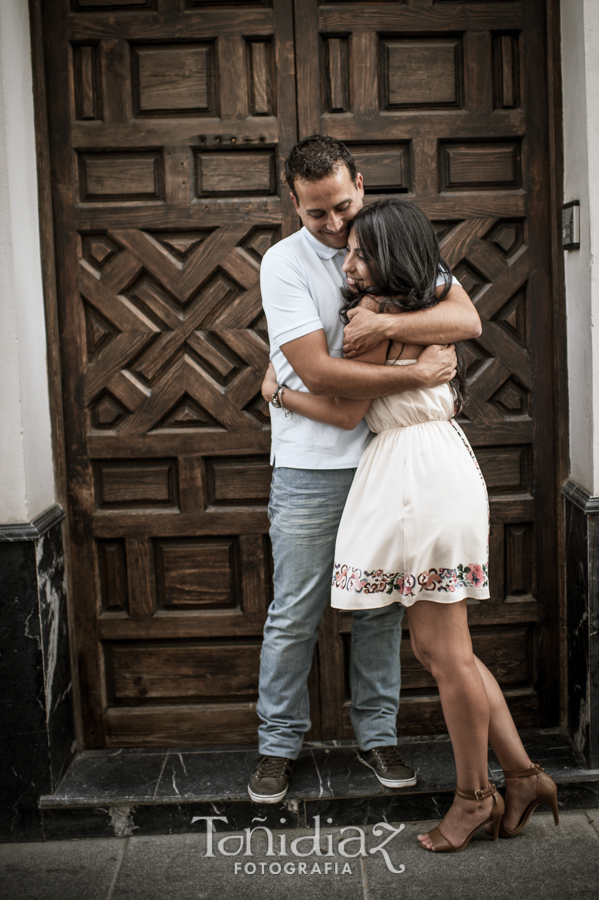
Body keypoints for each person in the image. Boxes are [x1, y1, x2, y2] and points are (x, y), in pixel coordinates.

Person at [262, 197, 559, 852]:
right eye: (348, 252)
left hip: (419, 477)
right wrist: (411, 366)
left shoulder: (376, 322)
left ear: (389, 259)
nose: (348, 262)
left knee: (443, 653)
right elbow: (446, 330)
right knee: (438, 649)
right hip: (420, 466)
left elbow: (342, 412)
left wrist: (279, 392)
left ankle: (472, 798)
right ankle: (523, 774)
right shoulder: (391, 315)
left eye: (361, 253)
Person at [249, 134, 481, 805]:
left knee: (380, 610)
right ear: (293, 203)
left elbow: (464, 316)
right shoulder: (284, 263)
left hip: (390, 461)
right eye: (315, 213)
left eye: (342, 207)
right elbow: (319, 369)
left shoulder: (390, 239)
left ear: (359, 182)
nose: (333, 226)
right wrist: (410, 367)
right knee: (294, 610)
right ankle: (276, 746)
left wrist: (379, 334)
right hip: (310, 463)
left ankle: (376, 736)